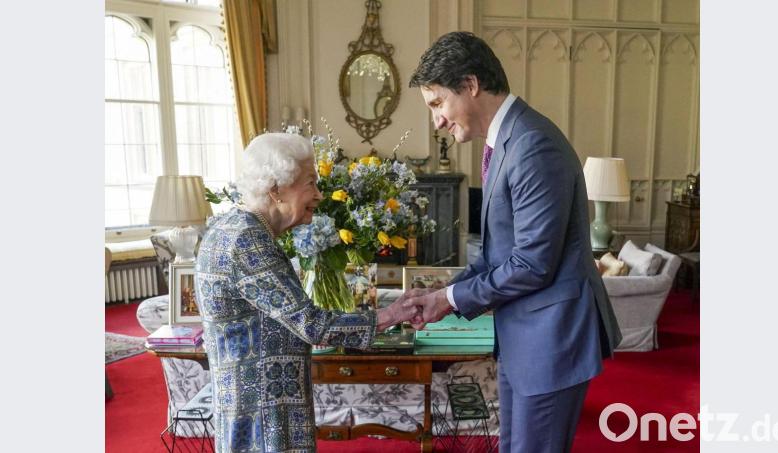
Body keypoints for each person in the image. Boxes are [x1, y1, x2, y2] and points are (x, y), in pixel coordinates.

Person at [404, 32, 622, 453]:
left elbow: (531, 265)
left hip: (551, 340)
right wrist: (441, 291)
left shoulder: (533, 145)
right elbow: (496, 255)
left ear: (470, 85)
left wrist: (449, 299)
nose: (437, 122)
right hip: (525, 336)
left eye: (437, 104)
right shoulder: (507, 141)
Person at [194, 133, 417, 453]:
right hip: (264, 416)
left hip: (250, 405)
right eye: (310, 183)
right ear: (275, 189)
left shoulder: (229, 227)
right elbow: (311, 324)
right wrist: (389, 315)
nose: (319, 194)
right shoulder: (247, 240)